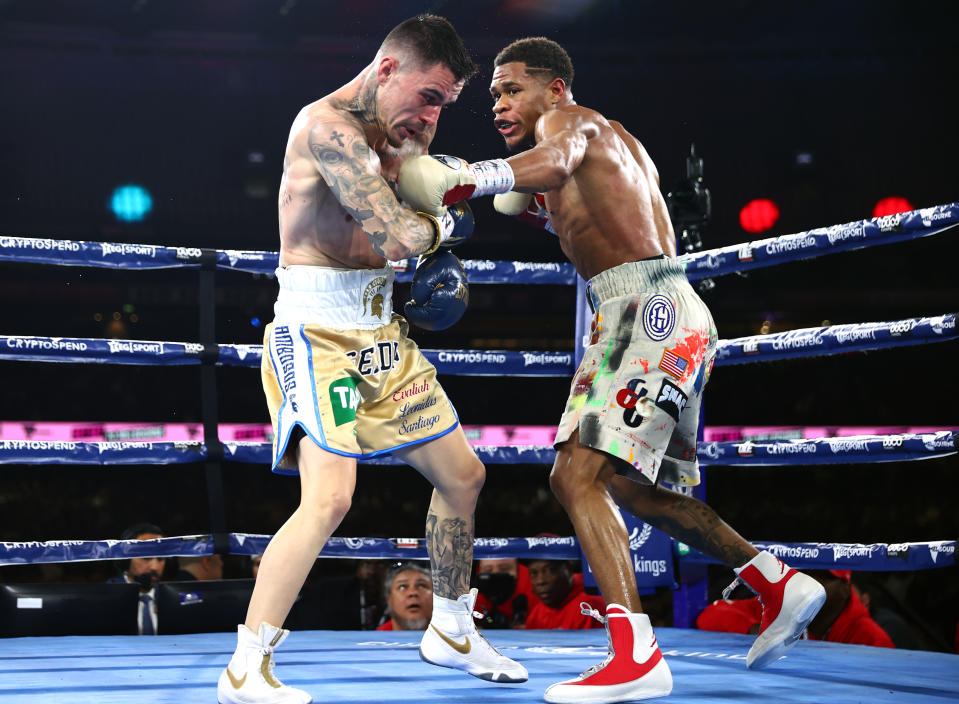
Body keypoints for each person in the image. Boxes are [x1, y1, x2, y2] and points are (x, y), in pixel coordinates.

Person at [397, 36, 828, 703]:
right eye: (493, 96)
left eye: (511, 89)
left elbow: (556, 158)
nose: (499, 104)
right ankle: (778, 581)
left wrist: (473, 178)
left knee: (573, 475)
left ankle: (636, 655)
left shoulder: (571, 124)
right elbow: (593, 215)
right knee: (629, 488)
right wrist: (528, 203)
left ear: (555, 89)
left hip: (645, 310)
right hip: (658, 309)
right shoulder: (606, 144)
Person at [217, 15, 527, 704]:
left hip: (381, 334)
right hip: (317, 334)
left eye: (443, 104)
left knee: (464, 476)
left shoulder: (407, 134)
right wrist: (447, 218)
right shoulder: (326, 129)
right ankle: (247, 666)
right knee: (329, 497)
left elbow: (404, 237)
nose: (431, 115)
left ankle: (449, 626)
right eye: (426, 97)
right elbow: (394, 234)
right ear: (386, 68)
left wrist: (437, 213)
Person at [698, 570, 895, 649]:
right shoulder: (781, 605)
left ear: (845, 588)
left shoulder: (869, 636)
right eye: (804, 573)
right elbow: (710, 615)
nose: (808, 583)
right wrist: (760, 631)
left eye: (821, 577)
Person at [107, 522, 165, 636]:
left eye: (161, 558)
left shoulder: (172, 598)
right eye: (146, 557)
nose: (155, 566)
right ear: (125, 559)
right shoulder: (107, 598)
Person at [525, 559, 606, 630]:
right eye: (533, 573)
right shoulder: (536, 614)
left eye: (551, 570)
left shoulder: (587, 606)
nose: (541, 581)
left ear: (569, 570)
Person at [474, 557, 539, 628]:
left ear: (518, 569)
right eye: (488, 570)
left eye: (504, 569)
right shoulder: (473, 591)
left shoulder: (534, 586)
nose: (495, 574)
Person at [377, 562, 434, 631]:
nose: (413, 592)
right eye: (402, 587)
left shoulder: (449, 638)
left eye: (422, 586)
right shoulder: (373, 640)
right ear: (389, 599)